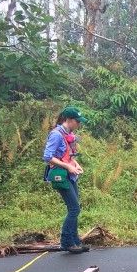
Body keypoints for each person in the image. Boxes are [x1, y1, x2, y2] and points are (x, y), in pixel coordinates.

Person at [43, 106, 90, 253]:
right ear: (68, 120)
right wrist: (67, 167)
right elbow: (47, 157)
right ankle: (66, 242)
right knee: (74, 208)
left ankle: (76, 241)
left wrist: (76, 164)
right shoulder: (56, 134)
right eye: (77, 121)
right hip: (61, 175)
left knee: (75, 208)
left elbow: (68, 155)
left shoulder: (68, 134)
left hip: (70, 175)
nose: (79, 124)